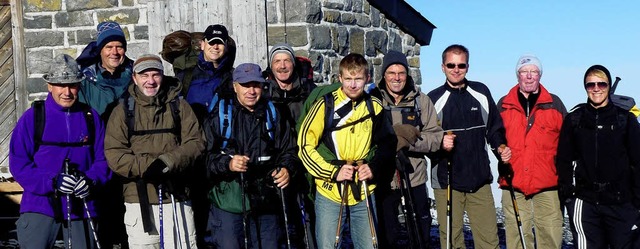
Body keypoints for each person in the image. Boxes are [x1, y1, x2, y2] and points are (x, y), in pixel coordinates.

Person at [9, 54, 111, 248]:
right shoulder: (33, 118)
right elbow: (19, 164)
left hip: (83, 205)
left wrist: (91, 180)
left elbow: (103, 159)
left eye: (72, 85)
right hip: (40, 204)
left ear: (79, 85)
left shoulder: (91, 117)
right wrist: (51, 182)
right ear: (49, 85)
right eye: (60, 85)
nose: (67, 92)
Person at [104, 54, 205, 248]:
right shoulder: (122, 111)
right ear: (134, 78)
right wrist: (148, 166)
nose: (150, 81)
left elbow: (196, 142)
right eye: (144, 75)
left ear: (162, 76)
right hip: (138, 199)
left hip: (176, 195)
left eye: (155, 75)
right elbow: (114, 154)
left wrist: (167, 162)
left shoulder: (179, 106)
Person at [298, 53, 396, 249]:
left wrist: (373, 168)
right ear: (340, 78)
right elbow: (304, 145)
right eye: (348, 79)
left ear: (367, 79)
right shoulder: (325, 105)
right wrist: (333, 172)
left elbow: (387, 143)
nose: (353, 85)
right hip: (330, 190)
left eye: (358, 79)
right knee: (329, 246)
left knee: (369, 245)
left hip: (364, 189)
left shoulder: (374, 106)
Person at [203, 63, 297, 249]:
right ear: (235, 86)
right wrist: (227, 164)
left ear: (263, 86)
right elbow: (203, 159)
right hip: (229, 203)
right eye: (245, 85)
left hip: (268, 202)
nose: (251, 91)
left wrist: (287, 169)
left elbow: (290, 150)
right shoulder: (220, 116)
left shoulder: (274, 113)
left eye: (255, 85)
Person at [427, 44, 510, 249]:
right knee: (452, 242)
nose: (456, 69)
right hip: (447, 182)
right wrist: (440, 144)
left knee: (489, 241)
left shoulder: (480, 92)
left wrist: (500, 147)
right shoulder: (434, 99)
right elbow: (425, 140)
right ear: (443, 67)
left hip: (479, 180)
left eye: (461, 65)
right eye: (451, 65)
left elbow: (494, 128)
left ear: (468, 66)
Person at [556, 65, 640, 248]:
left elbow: (637, 162)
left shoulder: (625, 120)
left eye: (601, 84)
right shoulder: (574, 120)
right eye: (591, 84)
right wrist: (569, 196)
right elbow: (563, 159)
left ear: (609, 86)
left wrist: (636, 203)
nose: (596, 89)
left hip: (621, 203)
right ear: (585, 87)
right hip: (585, 203)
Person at [369, 50, 443, 248]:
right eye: (391, 73)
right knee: (386, 236)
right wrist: (390, 142)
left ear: (407, 75)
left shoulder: (421, 101)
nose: (396, 78)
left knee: (420, 235)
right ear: (383, 75)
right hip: (382, 179)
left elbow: (436, 138)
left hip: (414, 177)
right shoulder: (372, 100)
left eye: (401, 73)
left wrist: (409, 142)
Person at [496, 55, 566, 249]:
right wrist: (499, 149)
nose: (529, 76)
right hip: (513, 181)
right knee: (517, 236)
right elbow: (494, 136)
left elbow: (568, 141)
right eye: (524, 72)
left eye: (533, 72)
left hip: (548, 183)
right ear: (517, 75)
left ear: (540, 75)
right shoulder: (503, 104)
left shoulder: (555, 104)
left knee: (550, 235)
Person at [264, 42, 317, 248]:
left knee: (308, 219)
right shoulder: (264, 92)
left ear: (294, 64)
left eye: (287, 60)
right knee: (279, 221)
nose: (282, 66)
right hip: (278, 165)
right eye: (277, 61)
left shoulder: (310, 91)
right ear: (271, 66)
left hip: (307, 164)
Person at [76, 21, 134, 120]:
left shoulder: (137, 76)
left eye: (119, 47)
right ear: (100, 51)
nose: (114, 52)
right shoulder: (85, 81)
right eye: (109, 47)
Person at [179, 24, 236, 121]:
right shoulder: (185, 77)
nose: (215, 47)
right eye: (211, 42)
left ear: (226, 46)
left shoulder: (234, 77)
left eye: (220, 43)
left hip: (223, 134)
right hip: (195, 134)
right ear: (202, 45)